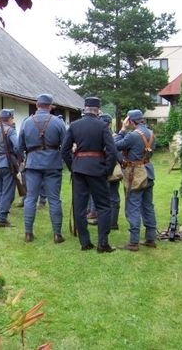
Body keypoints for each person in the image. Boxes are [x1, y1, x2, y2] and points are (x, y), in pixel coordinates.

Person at [62, 97, 117, 253]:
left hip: (79, 169)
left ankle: (85, 243)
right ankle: (103, 244)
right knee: (103, 206)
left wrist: (73, 167)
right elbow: (112, 152)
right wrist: (107, 170)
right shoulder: (103, 126)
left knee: (79, 207)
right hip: (97, 170)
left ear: (85, 108)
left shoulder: (74, 125)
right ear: (98, 110)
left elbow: (64, 151)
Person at [18, 93, 67, 243]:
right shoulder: (58, 122)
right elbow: (65, 145)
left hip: (33, 164)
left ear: (36, 105)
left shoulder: (26, 122)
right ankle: (57, 234)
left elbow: (19, 147)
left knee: (30, 198)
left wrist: (24, 158)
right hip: (53, 164)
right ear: (50, 106)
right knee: (54, 199)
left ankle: (28, 233)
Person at [114, 109, 157, 251]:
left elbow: (115, 145)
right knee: (148, 206)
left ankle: (133, 242)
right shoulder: (151, 133)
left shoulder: (132, 135)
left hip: (136, 175)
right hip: (149, 172)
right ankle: (150, 238)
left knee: (132, 207)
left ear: (130, 121)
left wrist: (122, 130)